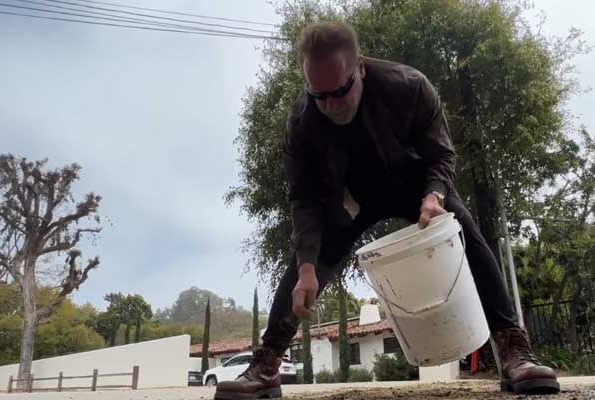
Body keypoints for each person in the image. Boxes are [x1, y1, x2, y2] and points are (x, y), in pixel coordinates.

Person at [213, 21, 560, 400]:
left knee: (465, 231)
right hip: (351, 197)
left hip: (415, 184)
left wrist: (434, 197)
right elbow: (304, 198)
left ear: (359, 67)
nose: (331, 105)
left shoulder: (409, 87)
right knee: (303, 268)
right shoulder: (302, 123)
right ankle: (266, 365)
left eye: (341, 91)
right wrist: (309, 268)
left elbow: (442, 154)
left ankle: (514, 351)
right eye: (319, 95)